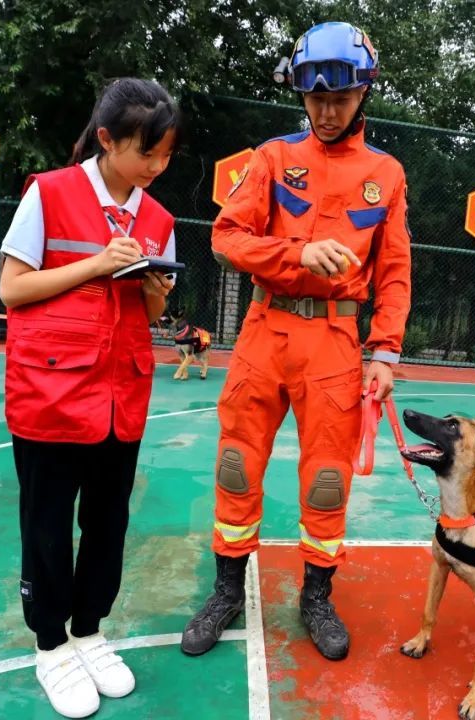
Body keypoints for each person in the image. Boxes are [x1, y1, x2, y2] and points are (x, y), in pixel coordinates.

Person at [181, 21, 411, 661]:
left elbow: (395, 270)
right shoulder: (273, 158)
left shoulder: (386, 174)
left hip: (335, 341)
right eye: (315, 99)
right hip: (265, 330)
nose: (327, 112)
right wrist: (297, 254)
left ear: (363, 93)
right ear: (301, 95)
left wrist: (385, 352)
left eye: (340, 99)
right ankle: (227, 589)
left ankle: (316, 596)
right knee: (236, 464)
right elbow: (227, 237)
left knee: (328, 478)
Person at [0, 78, 179, 718]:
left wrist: (153, 290)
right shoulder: (49, 194)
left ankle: (89, 632)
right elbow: (13, 289)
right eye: (146, 153)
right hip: (51, 392)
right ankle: (50, 645)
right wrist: (98, 264)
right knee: (47, 526)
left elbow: (151, 313)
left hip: (119, 397)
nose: (156, 167)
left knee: (108, 523)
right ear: (106, 139)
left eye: (166, 155)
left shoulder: (158, 220)